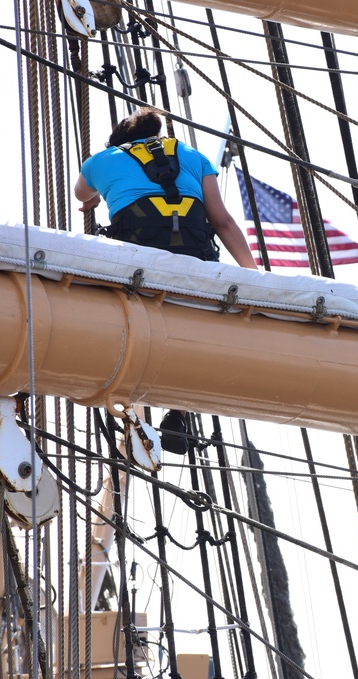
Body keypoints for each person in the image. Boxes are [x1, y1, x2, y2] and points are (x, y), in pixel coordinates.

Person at [74, 107, 257, 453]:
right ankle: (178, 411)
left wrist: (97, 195)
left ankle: (129, 400)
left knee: (135, 320)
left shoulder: (101, 160)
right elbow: (223, 222)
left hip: (137, 259)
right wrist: (253, 276)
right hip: (195, 257)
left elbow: (81, 194)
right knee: (193, 328)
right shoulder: (192, 156)